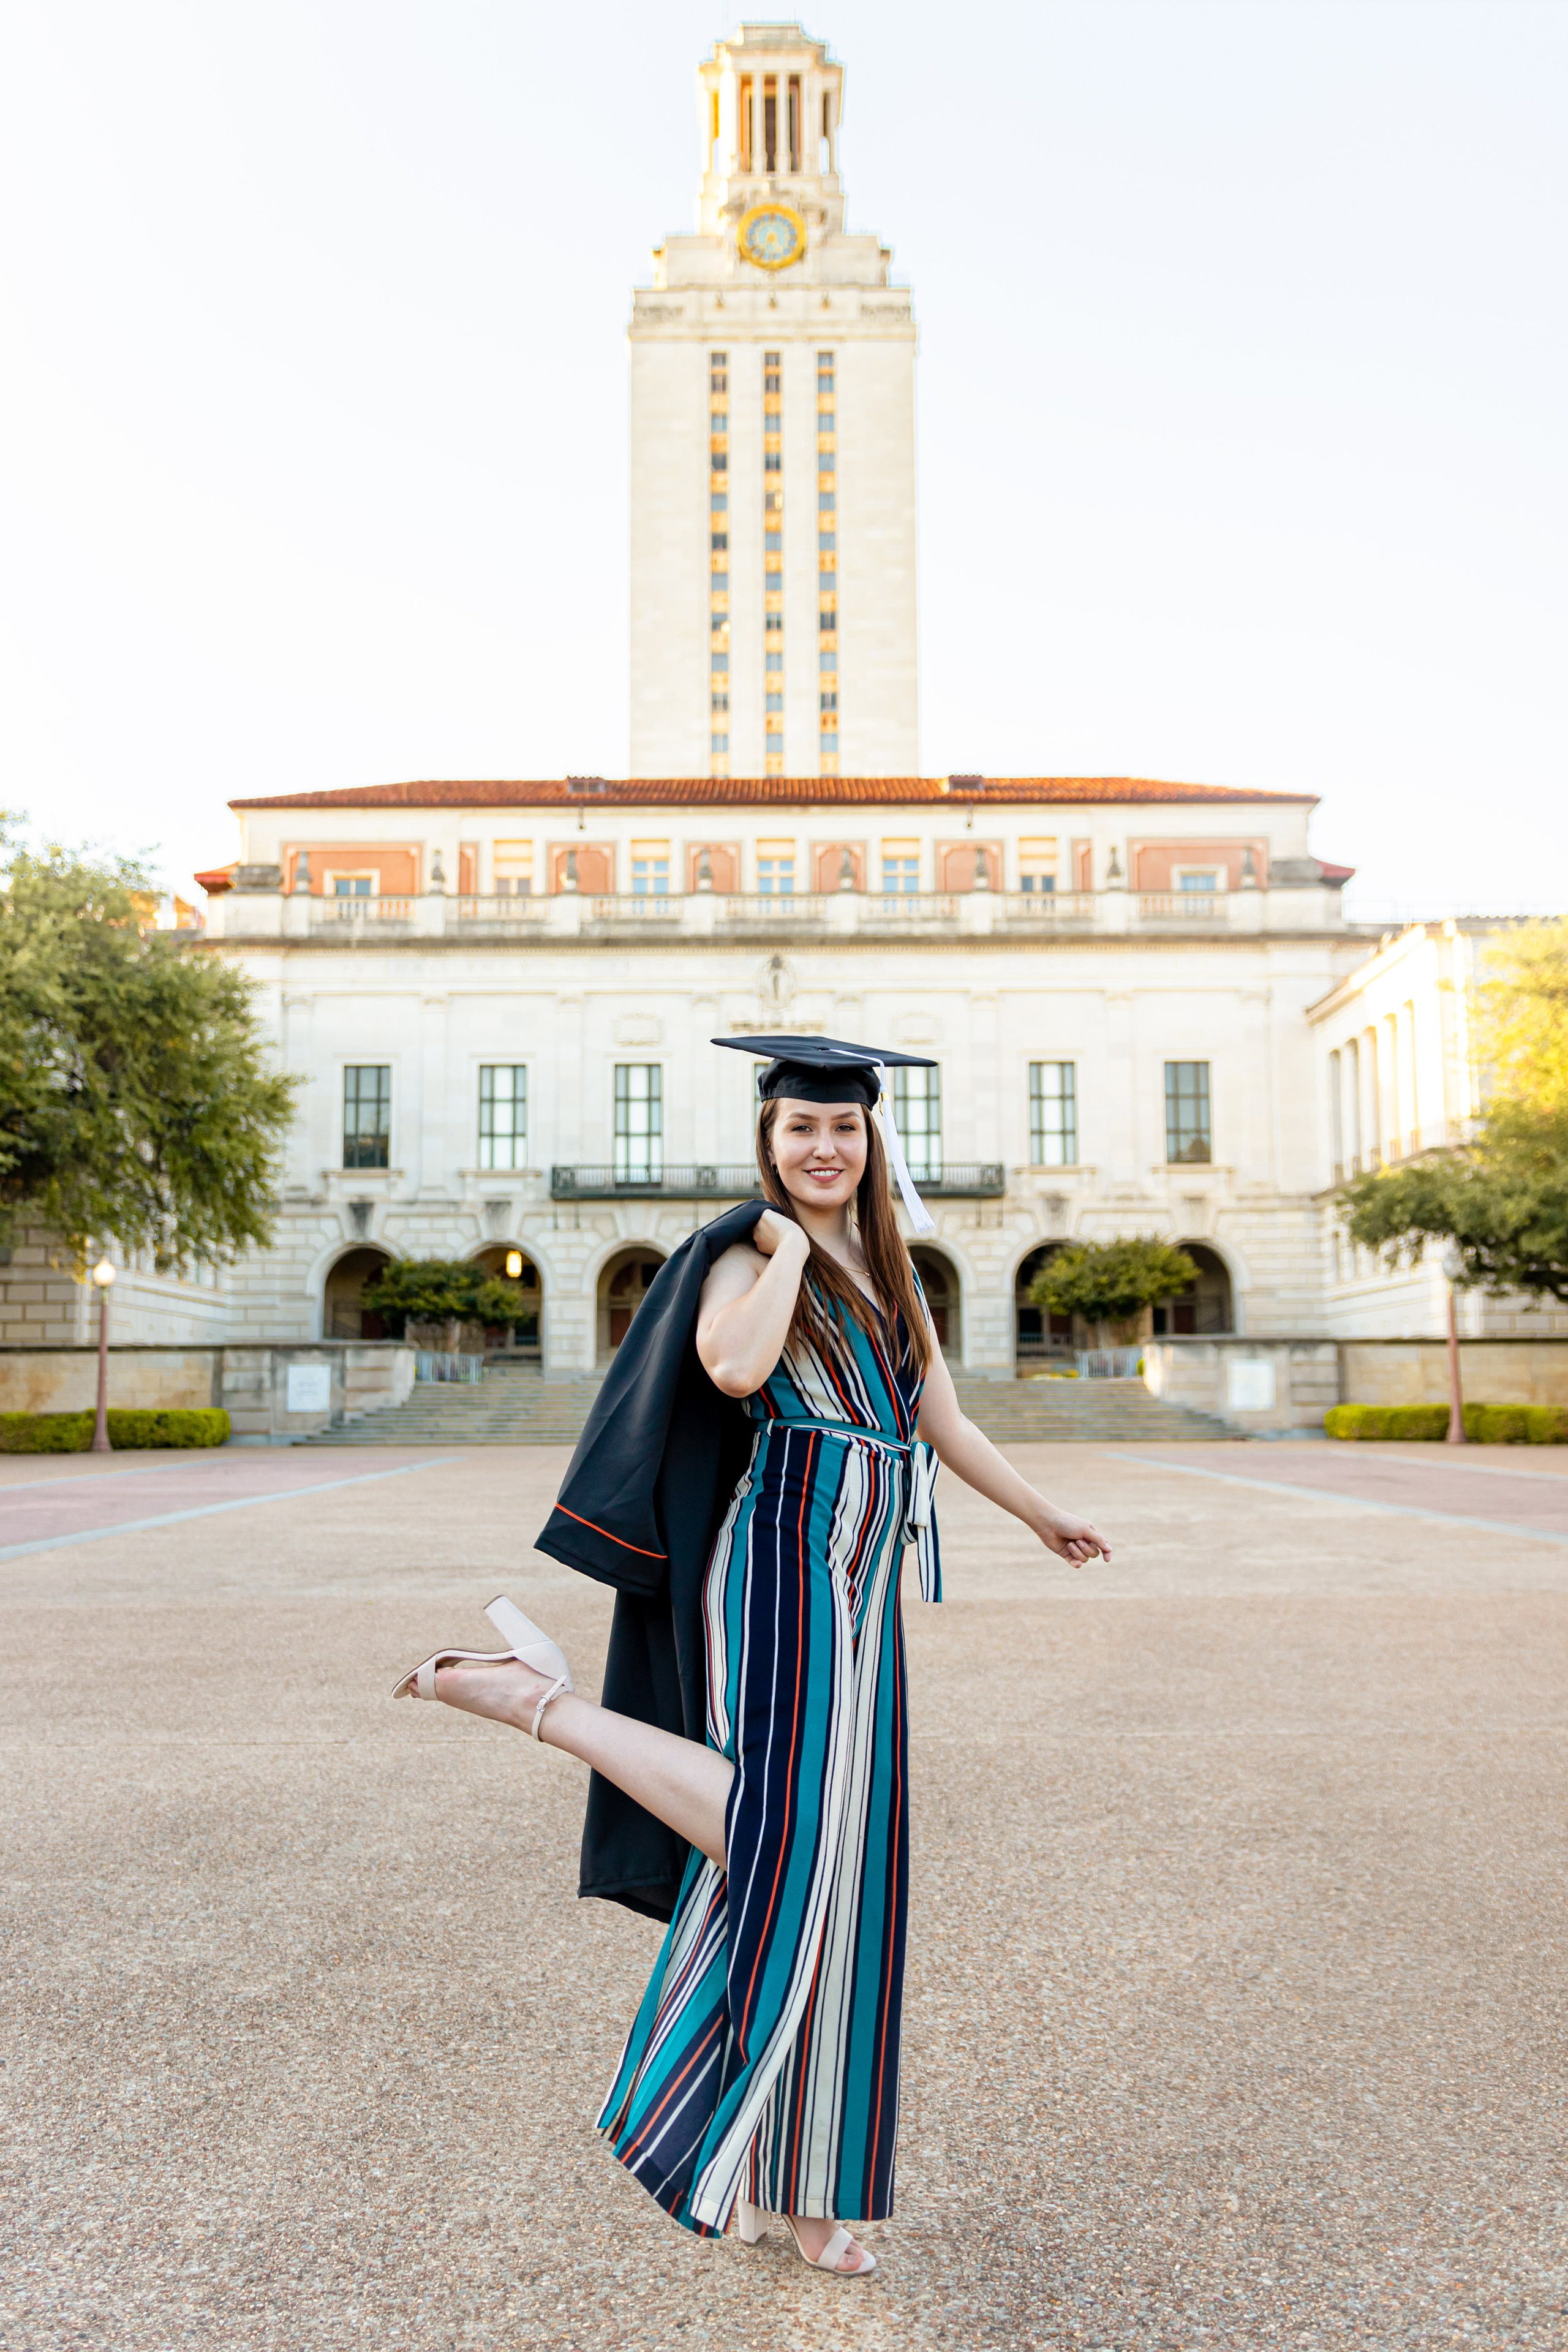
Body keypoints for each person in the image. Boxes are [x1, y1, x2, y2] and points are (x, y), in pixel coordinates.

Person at [394, 1036, 1110, 2277]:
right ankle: (536, 1703)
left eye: (842, 1130)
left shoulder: (891, 1269)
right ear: (768, 1145)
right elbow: (730, 1368)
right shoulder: (746, 1252)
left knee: (844, 1874)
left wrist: (1036, 1511)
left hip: (865, 1572)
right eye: (798, 1132)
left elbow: (938, 1416)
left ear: (872, 1140)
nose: (823, 1149)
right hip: (777, 1554)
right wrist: (782, 1242)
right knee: (794, 1843)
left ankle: (801, 2189)